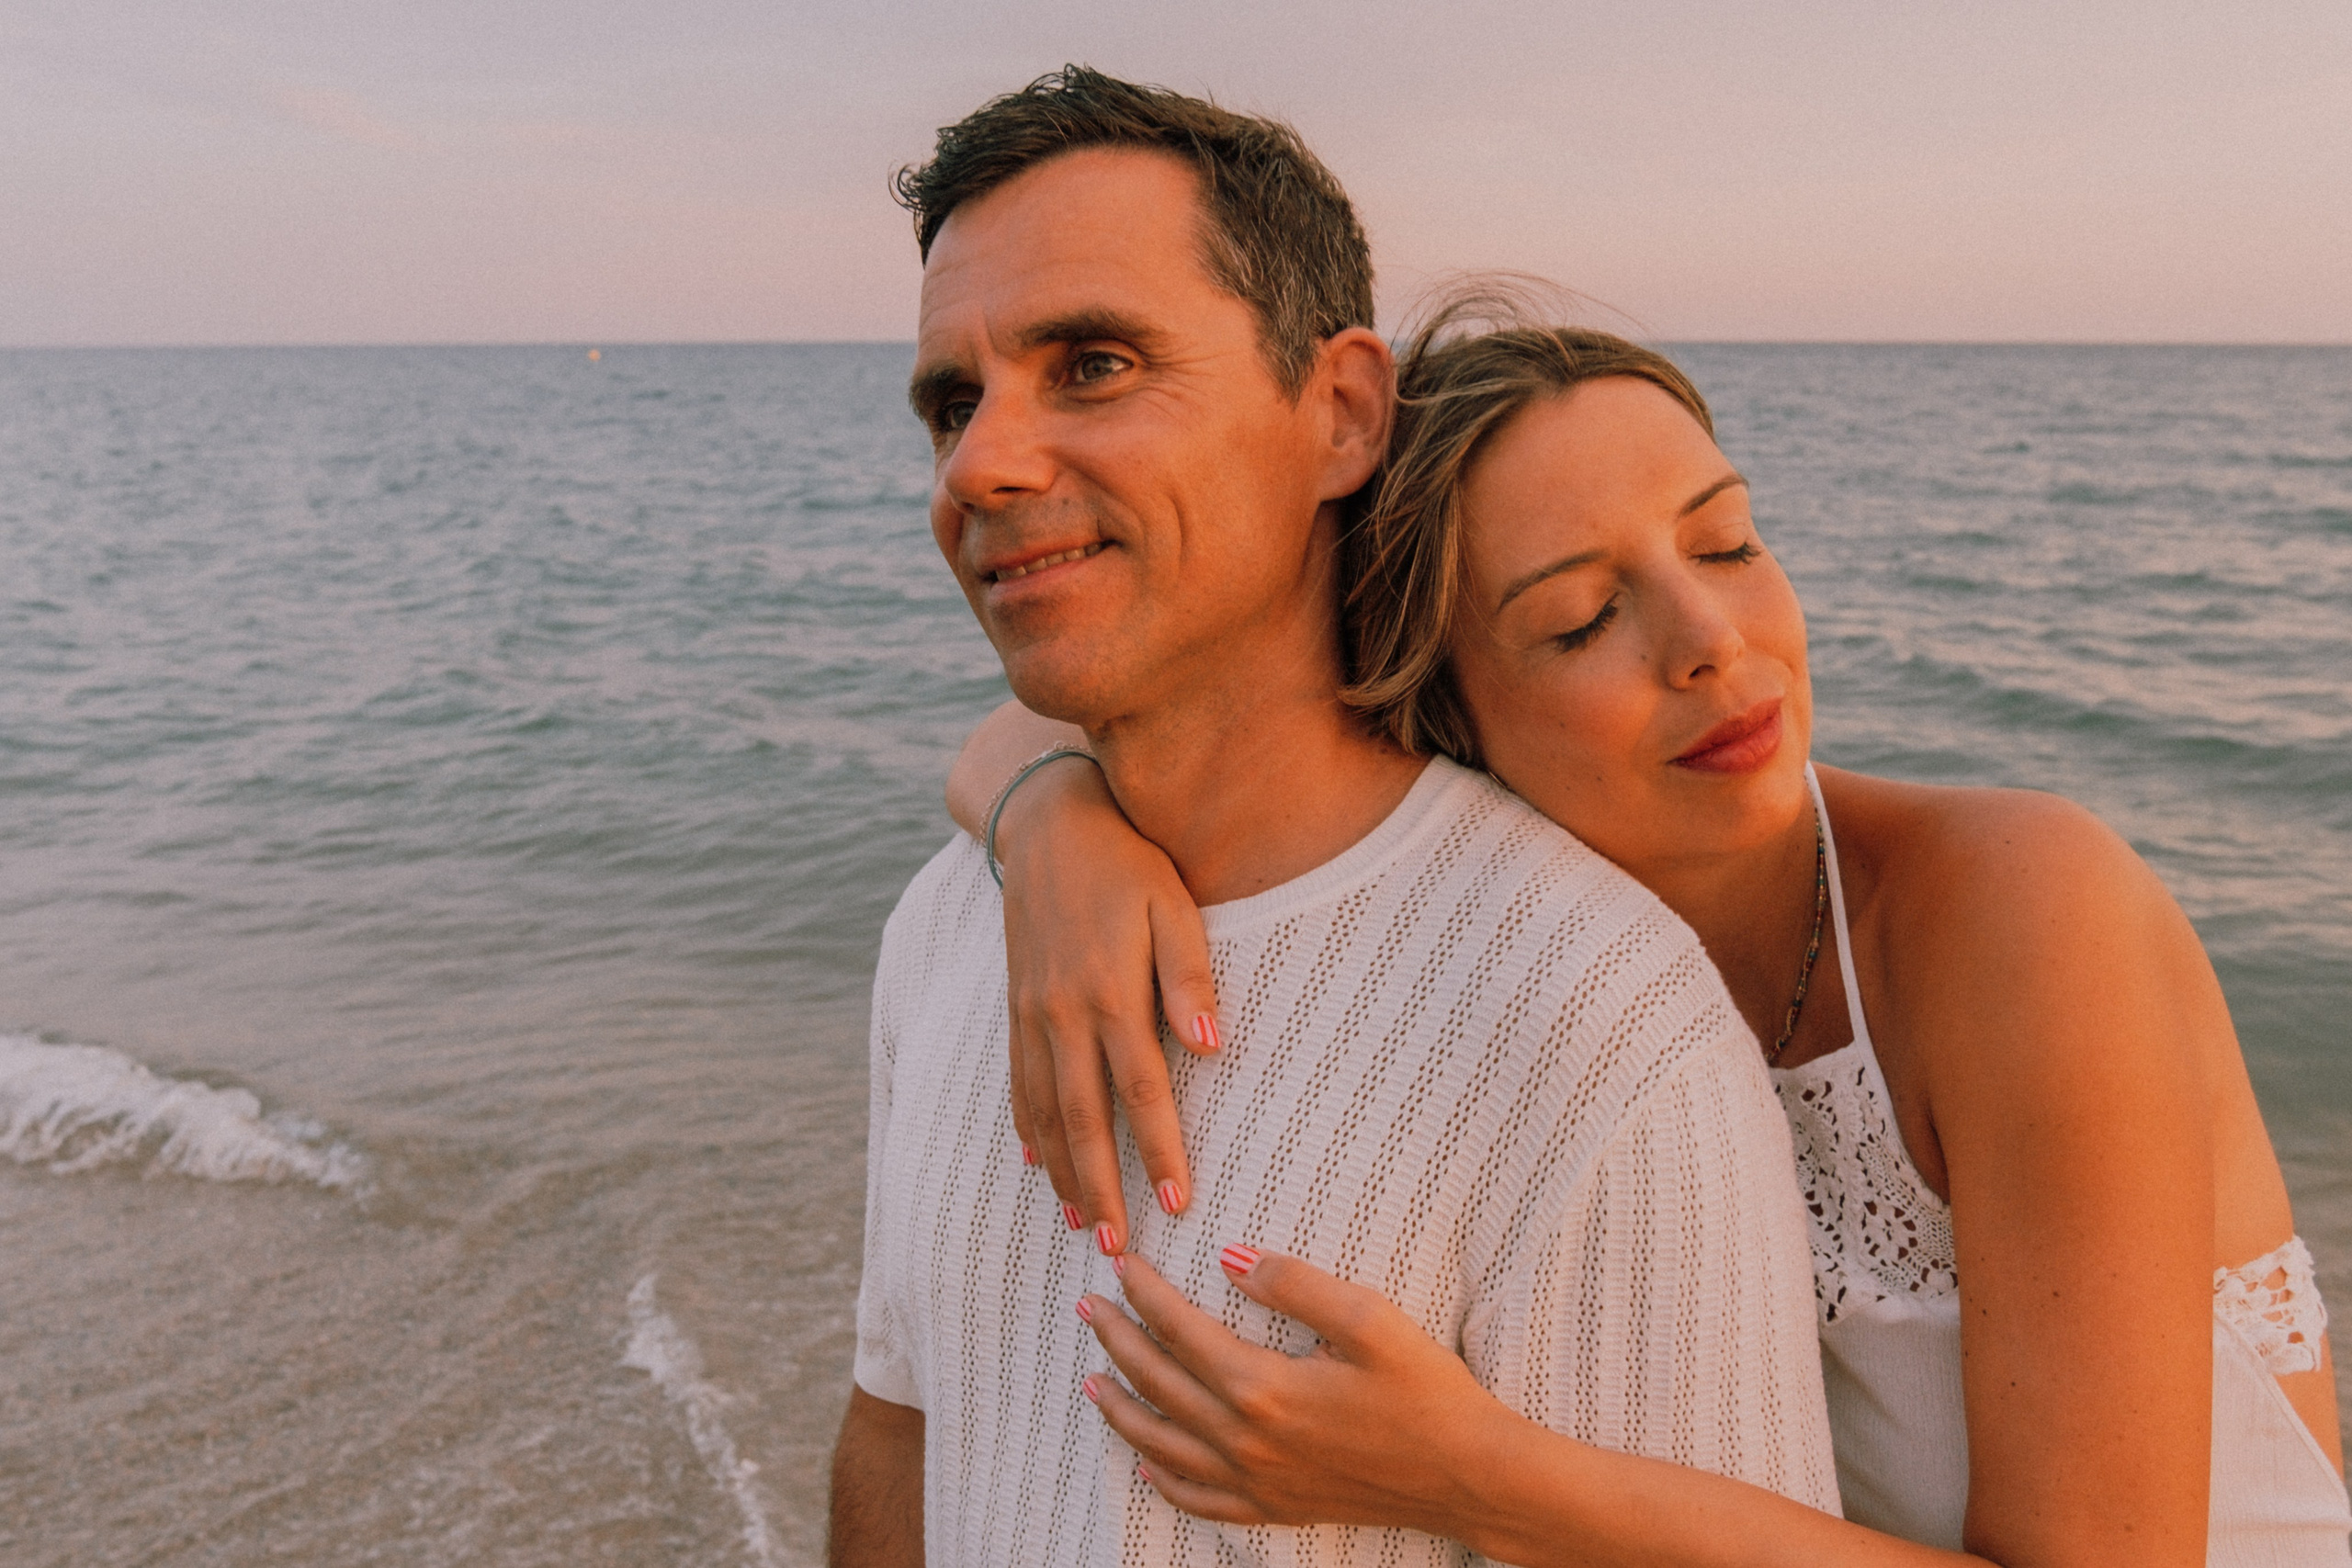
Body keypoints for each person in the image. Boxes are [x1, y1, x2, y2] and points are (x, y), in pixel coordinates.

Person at [949, 298, 2352, 1565]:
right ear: (1436, 715)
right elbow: (1146, 699)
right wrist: (1049, 815)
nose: (1710, 638)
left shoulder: (2022, 908)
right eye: (1578, 620)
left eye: (1726, 542)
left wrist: (1476, 1478)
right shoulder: (1555, 974)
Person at [831, 73, 1842, 1568]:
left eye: (1094, 362)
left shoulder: (1597, 1020)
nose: (981, 463)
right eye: (952, 403)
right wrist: (1033, 816)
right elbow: (899, 1434)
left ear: (1341, 413)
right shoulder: (950, 922)